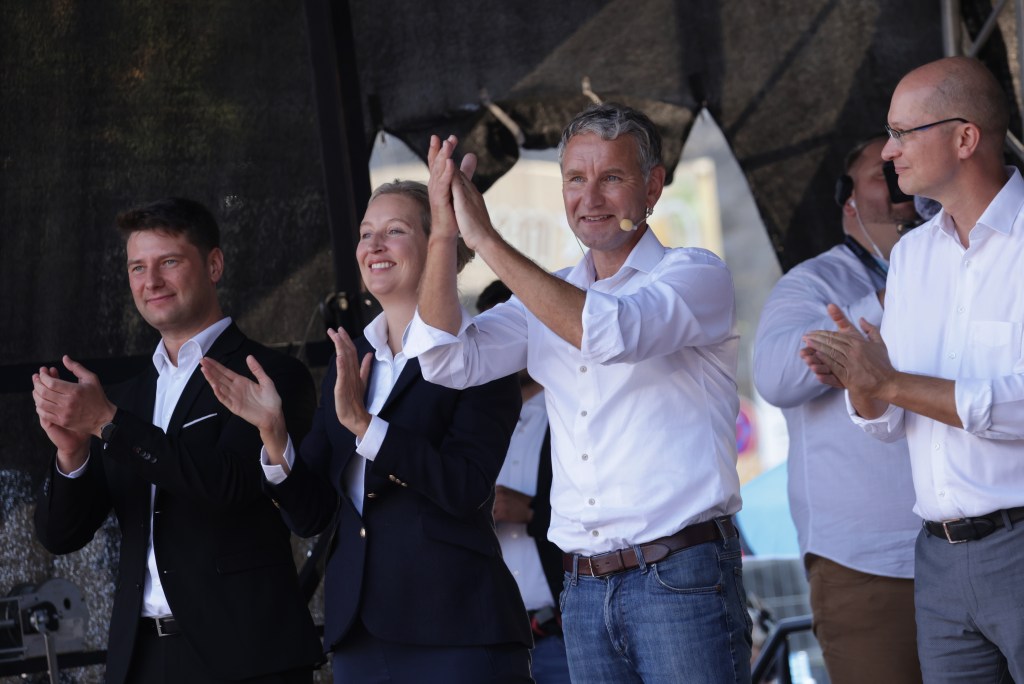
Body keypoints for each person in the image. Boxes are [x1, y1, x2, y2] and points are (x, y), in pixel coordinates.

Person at [406, 103, 752, 683]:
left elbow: (608, 331)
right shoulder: (550, 293)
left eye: (611, 178)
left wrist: (486, 239)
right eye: (575, 178)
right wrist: (445, 233)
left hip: (681, 576)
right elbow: (445, 361)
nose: (589, 197)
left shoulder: (695, 273)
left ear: (654, 186)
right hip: (583, 588)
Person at [199, 180, 533, 683]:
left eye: (394, 231)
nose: (372, 246)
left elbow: (464, 487)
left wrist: (365, 426)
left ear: (441, 244)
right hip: (360, 630)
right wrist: (273, 433)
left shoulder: (482, 354)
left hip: (455, 623)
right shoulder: (350, 358)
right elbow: (311, 515)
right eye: (365, 233)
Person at [31, 197, 322, 684]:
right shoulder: (130, 396)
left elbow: (229, 484)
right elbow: (60, 536)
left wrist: (107, 422)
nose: (151, 282)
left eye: (168, 261)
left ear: (214, 264)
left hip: (247, 656)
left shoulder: (271, 376)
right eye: (137, 267)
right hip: (141, 657)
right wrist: (72, 453)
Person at [803, 56, 1024, 682]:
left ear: (965, 137)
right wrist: (865, 383)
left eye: (903, 134)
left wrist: (890, 381)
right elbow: (889, 421)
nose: (889, 154)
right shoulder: (914, 257)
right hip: (938, 556)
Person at [752, 138, 922, 684]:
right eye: (883, 172)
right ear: (846, 199)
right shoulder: (812, 284)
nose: (900, 180)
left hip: (973, 546)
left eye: (906, 166)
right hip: (870, 563)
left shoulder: (965, 266)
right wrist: (900, 291)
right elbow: (777, 376)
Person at [476, 280, 570, 684]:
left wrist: (531, 511)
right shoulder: (474, 425)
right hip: (492, 638)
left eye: (514, 328)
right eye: (491, 333)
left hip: (562, 634)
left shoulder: (569, 413)